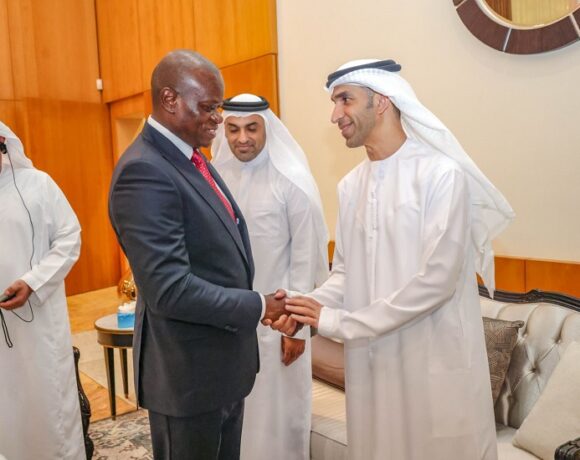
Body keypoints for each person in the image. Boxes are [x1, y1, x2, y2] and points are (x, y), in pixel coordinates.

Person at [283, 59, 515, 460]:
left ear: (382, 102)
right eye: (335, 103)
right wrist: (304, 305)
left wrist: (337, 322)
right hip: (373, 364)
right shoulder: (350, 186)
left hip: (431, 359)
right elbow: (345, 274)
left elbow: (436, 282)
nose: (335, 115)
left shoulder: (441, 175)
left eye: (344, 100)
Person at [108, 50, 290, 460]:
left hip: (220, 370)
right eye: (208, 107)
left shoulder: (191, 159)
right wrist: (260, 305)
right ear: (169, 99)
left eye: (217, 107)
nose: (217, 119)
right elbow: (170, 290)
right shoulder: (145, 171)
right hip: (187, 377)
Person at [212, 94, 329, 460]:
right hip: (229, 321)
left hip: (278, 326)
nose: (242, 138)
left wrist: (297, 329)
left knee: (277, 419)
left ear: (267, 129)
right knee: (233, 416)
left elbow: (306, 259)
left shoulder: (291, 181)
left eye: (251, 128)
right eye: (233, 129)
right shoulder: (216, 178)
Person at [0, 121, 84, 459]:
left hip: (37, 325)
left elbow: (69, 238)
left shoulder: (37, 185)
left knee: (48, 413)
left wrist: (33, 282)